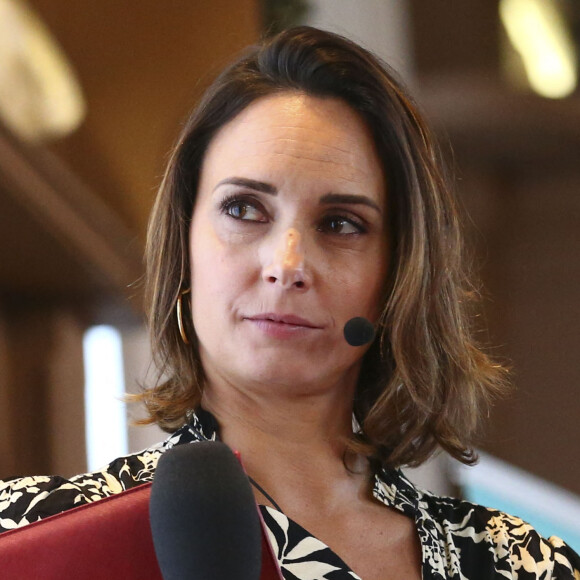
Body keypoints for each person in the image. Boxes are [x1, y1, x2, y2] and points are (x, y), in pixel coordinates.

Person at [0, 26, 578, 579]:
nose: (288, 265)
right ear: (185, 244)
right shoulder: (29, 538)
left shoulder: (521, 565)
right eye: (245, 209)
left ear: (398, 275)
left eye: (340, 223)